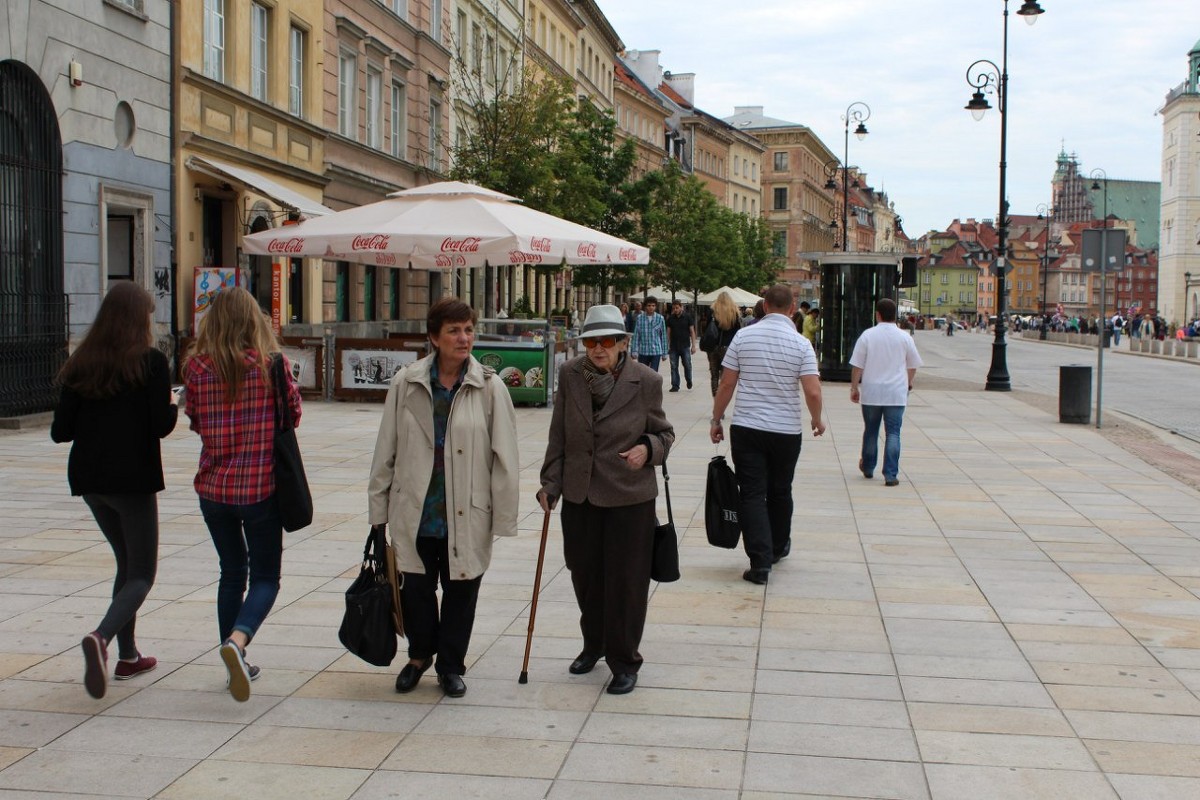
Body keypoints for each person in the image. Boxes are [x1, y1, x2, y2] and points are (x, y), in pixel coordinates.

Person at [369, 297, 519, 699]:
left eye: (468, 329)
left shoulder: (489, 386)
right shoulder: (406, 383)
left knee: (461, 592)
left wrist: (503, 517)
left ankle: (451, 665)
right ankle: (419, 656)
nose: (464, 337)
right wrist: (378, 509)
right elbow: (386, 448)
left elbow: (505, 456)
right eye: (454, 330)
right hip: (416, 509)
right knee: (415, 589)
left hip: (466, 512)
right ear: (434, 337)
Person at [538, 304, 674, 695]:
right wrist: (551, 484)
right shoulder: (570, 375)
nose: (598, 348)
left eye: (607, 341)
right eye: (591, 342)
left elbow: (664, 433)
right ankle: (593, 643)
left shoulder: (645, 380)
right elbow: (558, 434)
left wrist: (647, 450)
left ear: (622, 343)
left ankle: (625, 659)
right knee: (585, 574)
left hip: (629, 497)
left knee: (627, 582)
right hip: (581, 493)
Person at [51, 283, 178, 699]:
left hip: (91, 482)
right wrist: (174, 404)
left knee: (126, 565)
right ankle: (101, 638)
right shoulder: (152, 363)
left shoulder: (81, 363)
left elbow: (60, 432)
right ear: (138, 319)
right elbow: (160, 426)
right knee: (143, 573)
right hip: (133, 480)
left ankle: (129, 654)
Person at [184, 287, 302, 702]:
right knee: (266, 577)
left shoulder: (196, 368)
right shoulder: (272, 365)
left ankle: (231, 654)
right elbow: (294, 414)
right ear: (255, 321)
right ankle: (237, 642)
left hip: (213, 488)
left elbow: (195, 422)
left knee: (232, 572)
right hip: (259, 488)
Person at [710, 285, 824, 585]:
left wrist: (716, 418)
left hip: (748, 427)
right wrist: (817, 420)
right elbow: (812, 390)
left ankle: (759, 563)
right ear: (792, 307)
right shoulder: (801, 344)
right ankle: (778, 545)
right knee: (780, 489)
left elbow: (726, 384)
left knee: (751, 493)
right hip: (786, 431)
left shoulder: (743, 337)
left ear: (764, 305)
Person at [849, 299, 923, 488]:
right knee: (893, 433)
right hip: (896, 393)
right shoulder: (905, 337)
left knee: (871, 431)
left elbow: (858, 364)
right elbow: (913, 364)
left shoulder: (867, 335)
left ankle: (868, 466)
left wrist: (854, 387)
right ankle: (890, 474)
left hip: (872, 391)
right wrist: (908, 382)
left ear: (878, 314)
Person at [706, 291, 741, 396]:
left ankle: (716, 399)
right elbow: (737, 332)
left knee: (714, 375)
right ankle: (722, 399)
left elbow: (707, 328)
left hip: (712, 347)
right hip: (728, 348)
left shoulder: (712, 311)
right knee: (724, 377)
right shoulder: (734, 312)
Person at [664, 300, 696, 392]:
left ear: (681, 307)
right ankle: (675, 385)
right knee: (673, 366)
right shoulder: (670, 319)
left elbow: (692, 332)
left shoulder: (688, 317)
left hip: (685, 345)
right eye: (674, 308)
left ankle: (689, 380)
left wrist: (693, 346)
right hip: (674, 346)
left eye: (677, 308)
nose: (675, 310)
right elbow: (668, 332)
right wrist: (667, 345)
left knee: (687, 365)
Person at [629, 295, 668, 371]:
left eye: (653, 306)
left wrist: (665, 352)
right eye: (649, 305)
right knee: (643, 373)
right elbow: (636, 336)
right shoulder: (640, 318)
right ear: (645, 306)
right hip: (643, 351)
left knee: (653, 373)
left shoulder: (660, 318)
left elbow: (663, 336)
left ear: (655, 307)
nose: (651, 307)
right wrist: (634, 350)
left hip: (656, 351)